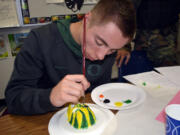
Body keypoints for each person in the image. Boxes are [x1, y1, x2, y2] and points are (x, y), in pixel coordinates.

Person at [5, 0, 136, 115]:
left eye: (112, 50)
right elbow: (13, 98)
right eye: (99, 42)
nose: (101, 56)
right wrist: (50, 97)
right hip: (41, 120)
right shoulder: (40, 40)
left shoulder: (107, 46)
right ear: (87, 19)